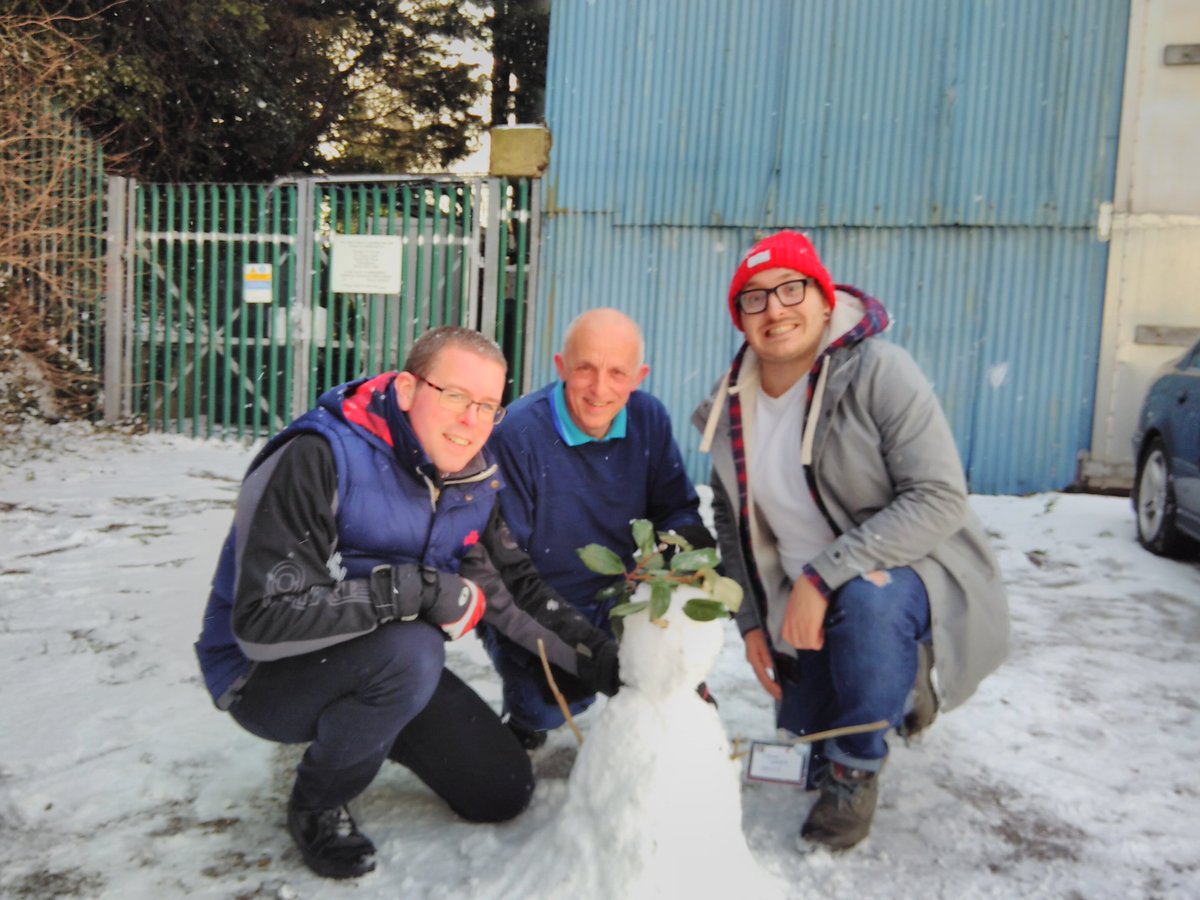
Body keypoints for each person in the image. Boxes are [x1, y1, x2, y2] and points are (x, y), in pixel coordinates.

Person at [194, 326, 619, 880]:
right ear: (405, 390)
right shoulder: (318, 456)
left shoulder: (472, 476)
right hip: (265, 674)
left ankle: (371, 721)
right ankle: (318, 802)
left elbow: (515, 590)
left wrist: (610, 663)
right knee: (414, 649)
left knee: (501, 791)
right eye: (455, 396)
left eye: (488, 405)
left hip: (383, 659)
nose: (471, 420)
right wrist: (416, 592)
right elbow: (263, 619)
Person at [695, 231, 1009, 849]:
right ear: (740, 319)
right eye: (754, 299)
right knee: (806, 721)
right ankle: (891, 683)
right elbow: (731, 525)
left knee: (868, 614)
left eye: (790, 289)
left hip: (903, 571)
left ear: (823, 295)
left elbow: (940, 496)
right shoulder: (729, 407)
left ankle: (855, 769)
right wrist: (753, 625)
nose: (775, 310)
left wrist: (822, 576)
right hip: (798, 586)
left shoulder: (880, 371)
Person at [481, 308, 715, 748]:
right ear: (560, 367)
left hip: (621, 594)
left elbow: (677, 511)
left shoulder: (650, 419)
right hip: (540, 603)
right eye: (585, 368)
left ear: (639, 376)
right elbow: (507, 578)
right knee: (553, 703)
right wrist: (587, 651)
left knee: (679, 703)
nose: (600, 388)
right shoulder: (516, 435)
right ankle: (526, 710)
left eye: (617, 372)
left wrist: (684, 561)